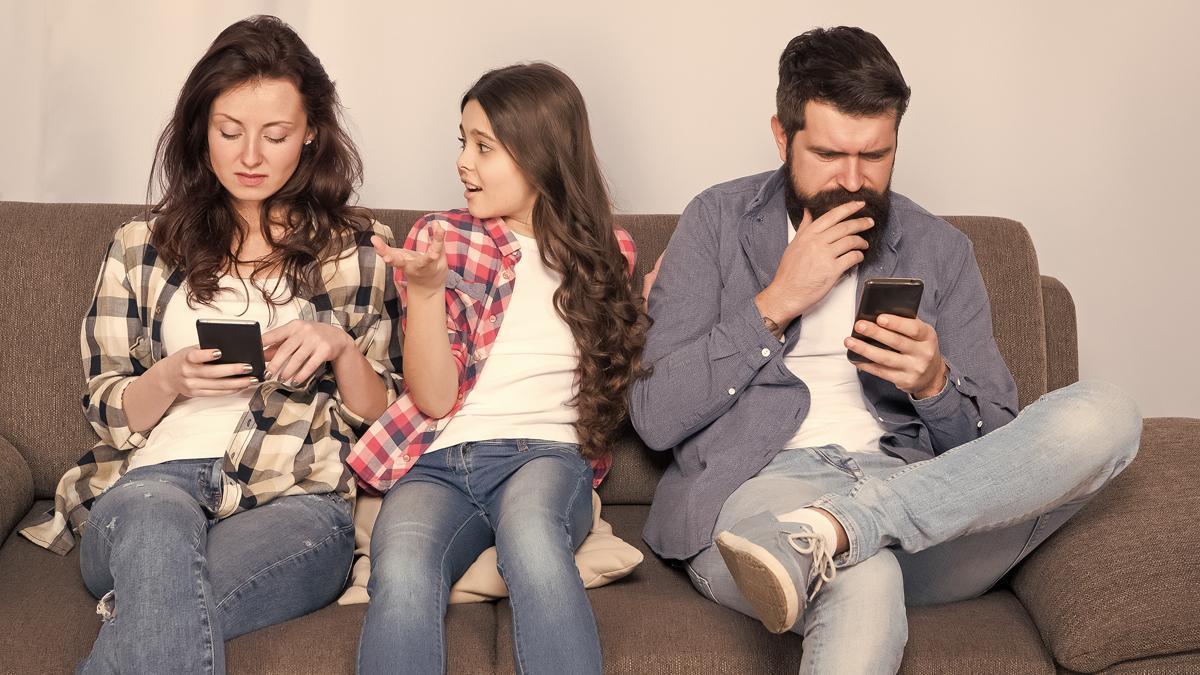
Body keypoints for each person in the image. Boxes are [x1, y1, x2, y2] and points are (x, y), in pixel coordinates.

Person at [630, 26, 1141, 674]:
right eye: (830, 154)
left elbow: (1001, 453)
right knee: (862, 577)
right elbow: (652, 415)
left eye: (875, 155)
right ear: (782, 136)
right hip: (767, 495)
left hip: (921, 496)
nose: (853, 179)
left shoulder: (940, 247)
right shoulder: (715, 222)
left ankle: (843, 526)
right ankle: (834, 535)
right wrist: (776, 302)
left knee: (1108, 413)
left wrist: (935, 385)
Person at [19, 16, 402, 674]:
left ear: (311, 132)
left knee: (159, 603)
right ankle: (148, 602)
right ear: (201, 129)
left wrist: (339, 346)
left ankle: (140, 612)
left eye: (275, 135)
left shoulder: (357, 248)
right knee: (156, 518)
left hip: (293, 500)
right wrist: (169, 378)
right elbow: (107, 406)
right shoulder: (140, 245)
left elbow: (385, 413)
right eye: (230, 132)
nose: (250, 156)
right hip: (148, 488)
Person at [349, 63, 646, 674]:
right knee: (399, 565)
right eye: (462, 141)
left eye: (484, 146)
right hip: (438, 461)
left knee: (533, 540)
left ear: (542, 154)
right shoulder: (442, 239)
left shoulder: (608, 252)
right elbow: (433, 399)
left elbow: (613, 376)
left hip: (545, 456)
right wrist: (426, 294)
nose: (464, 161)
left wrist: (649, 310)